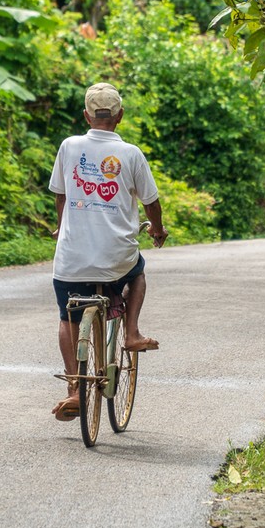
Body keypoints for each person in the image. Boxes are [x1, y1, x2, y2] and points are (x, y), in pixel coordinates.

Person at [48, 82, 168, 421]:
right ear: (120, 116)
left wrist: (62, 227)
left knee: (67, 316)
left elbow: (61, 196)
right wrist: (156, 230)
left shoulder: (69, 146)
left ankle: (75, 388)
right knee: (138, 274)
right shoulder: (130, 153)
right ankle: (131, 333)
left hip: (72, 260)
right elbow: (151, 202)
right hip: (116, 259)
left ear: (86, 115)